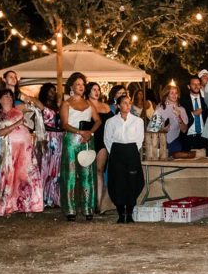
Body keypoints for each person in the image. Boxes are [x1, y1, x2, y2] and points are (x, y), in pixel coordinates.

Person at [0, 88, 42, 217]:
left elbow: (36, 109)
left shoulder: (19, 110)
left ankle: (28, 206)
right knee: (10, 176)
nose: (9, 98)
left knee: (26, 175)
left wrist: (28, 99)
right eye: (5, 96)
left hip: (25, 148)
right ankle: (9, 207)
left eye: (10, 96)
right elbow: (0, 133)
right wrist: (17, 124)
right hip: (10, 150)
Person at [60, 72, 100, 221]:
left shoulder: (89, 103)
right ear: (71, 86)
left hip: (87, 140)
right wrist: (79, 132)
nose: (81, 87)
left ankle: (88, 208)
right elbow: (64, 124)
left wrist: (90, 132)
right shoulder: (66, 103)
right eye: (78, 84)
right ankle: (70, 209)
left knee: (87, 174)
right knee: (70, 174)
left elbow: (97, 120)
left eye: (83, 84)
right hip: (72, 139)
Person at [103, 93, 146, 223]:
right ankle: (121, 212)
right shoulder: (111, 121)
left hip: (131, 151)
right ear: (118, 105)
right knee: (118, 182)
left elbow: (139, 139)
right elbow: (107, 139)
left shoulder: (138, 121)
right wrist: (116, 151)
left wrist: (131, 150)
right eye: (124, 103)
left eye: (129, 103)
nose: (127, 105)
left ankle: (130, 212)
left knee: (132, 182)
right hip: (117, 151)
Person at [85, 82, 114, 213]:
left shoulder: (106, 107)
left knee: (99, 170)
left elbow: (112, 124)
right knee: (87, 172)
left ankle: (98, 203)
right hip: (88, 139)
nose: (96, 92)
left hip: (102, 141)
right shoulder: (85, 104)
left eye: (98, 90)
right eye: (93, 89)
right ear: (88, 91)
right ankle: (87, 201)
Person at [36, 83, 63, 208]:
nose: (52, 93)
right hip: (47, 137)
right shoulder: (41, 105)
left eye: (54, 91)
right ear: (45, 92)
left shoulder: (58, 106)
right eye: (50, 91)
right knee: (45, 168)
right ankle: (43, 199)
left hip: (59, 137)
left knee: (56, 169)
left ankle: (54, 198)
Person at [155, 84, 190, 155]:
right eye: (172, 93)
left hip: (175, 143)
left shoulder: (181, 109)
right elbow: (152, 129)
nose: (174, 95)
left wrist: (179, 117)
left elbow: (184, 130)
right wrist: (162, 130)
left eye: (176, 93)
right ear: (167, 94)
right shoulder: (160, 108)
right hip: (160, 143)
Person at [180, 75, 208, 152]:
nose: (196, 86)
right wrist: (192, 114)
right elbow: (180, 118)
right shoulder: (183, 102)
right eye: (194, 84)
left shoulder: (205, 101)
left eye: (198, 84)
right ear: (189, 86)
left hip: (203, 138)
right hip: (189, 138)